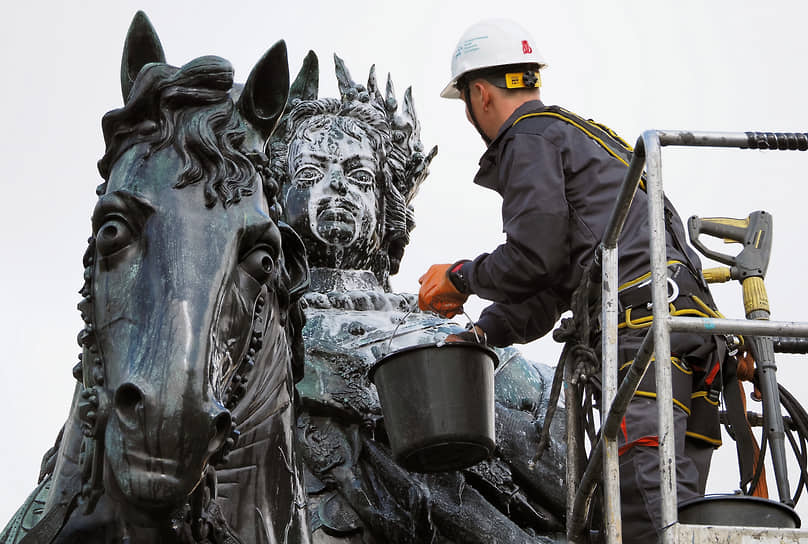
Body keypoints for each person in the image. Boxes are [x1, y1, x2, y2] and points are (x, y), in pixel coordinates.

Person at [418, 18, 724, 542]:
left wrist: (462, 276)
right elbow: (558, 280)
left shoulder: (528, 139)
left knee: (648, 521)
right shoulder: (584, 139)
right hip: (687, 337)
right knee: (676, 517)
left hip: (643, 342)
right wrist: (485, 333)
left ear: (481, 95)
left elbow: (532, 258)